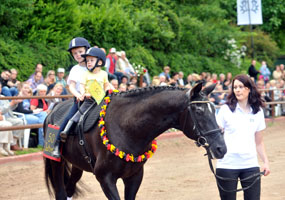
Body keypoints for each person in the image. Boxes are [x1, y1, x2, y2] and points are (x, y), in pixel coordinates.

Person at [215, 74, 270, 200]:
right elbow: (216, 135)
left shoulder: (258, 112)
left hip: (250, 164)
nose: (237, 90)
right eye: (235, 87)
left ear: (249, 88)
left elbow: (259, 143)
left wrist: (266, 162)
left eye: (241, 87)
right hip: (227, 165)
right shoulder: (225, 110)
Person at [51, 37, 91, 157]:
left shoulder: (93, 66)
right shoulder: (75, 69)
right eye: (75, 53)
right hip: (80, 100)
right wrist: (78, 95)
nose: (78, 55)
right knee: (69, 117)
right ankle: (56, 143)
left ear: (87, 50)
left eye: (80, 52)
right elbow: (71, 86)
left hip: (96, 99)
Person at [13, 82, 47, 147]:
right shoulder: (19, 96)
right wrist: (33, 111)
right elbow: (21, 110)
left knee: (43, 114)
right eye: (25, 88)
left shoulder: (27, 97)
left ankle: (42, 141)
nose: (27, 90)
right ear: (20, 88)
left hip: (28, 114)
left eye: (28, 88)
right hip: (21, 115)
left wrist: (35, 111)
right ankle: (42, 140)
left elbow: (29, 109)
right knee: (39, 120)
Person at [0, 82, 24, 151]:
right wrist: (11, 103)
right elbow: (1, 111)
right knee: (14, 123)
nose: (0, 89)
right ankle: (5, 146)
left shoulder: (3, 97)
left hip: (9, 117)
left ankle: (13, 143)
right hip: (3, 118)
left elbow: (10, 109)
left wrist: (15, 103)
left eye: (0, 87)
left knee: (19, 122)